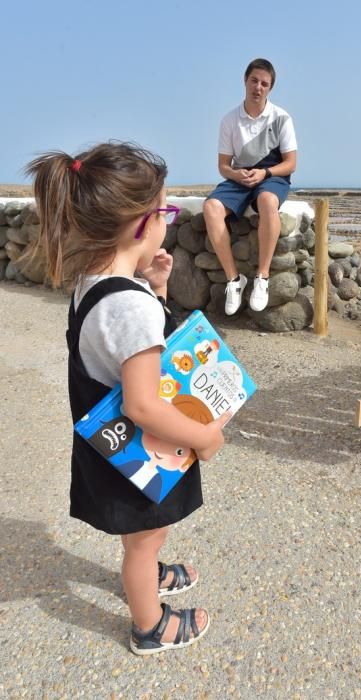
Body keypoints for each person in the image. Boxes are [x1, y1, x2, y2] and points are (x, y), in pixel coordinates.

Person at [25, 142, 230, 655]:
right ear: (141, 225)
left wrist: (155, 288)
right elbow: (142, 404)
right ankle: (150, 624)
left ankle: (148, 574)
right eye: (164, 210)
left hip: (109, 451)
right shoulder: (129, 307)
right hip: (135, 453)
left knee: (143, 537)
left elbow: (123, 353)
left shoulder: (94, 285)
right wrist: (204, 435)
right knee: (145, 539)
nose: (170, 219)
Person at [203, 58, 298, 315]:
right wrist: (236, 175)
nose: (258, 87)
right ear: (245, 81)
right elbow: (223, 166)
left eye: (264, 84)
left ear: (270, 88)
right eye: (254, 80)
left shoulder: (281, 118)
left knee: (268, 201)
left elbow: (290, 164)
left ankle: (262, 277)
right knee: (211, 207)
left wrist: (265, 172)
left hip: (272, 175)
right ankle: (234, 280)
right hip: (240, 177)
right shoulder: (229, 120)